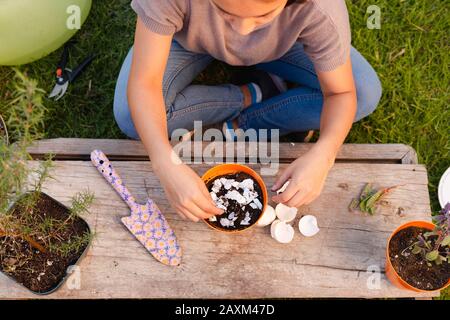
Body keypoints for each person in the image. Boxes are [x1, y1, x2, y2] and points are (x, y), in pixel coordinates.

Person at [114, 0, 382, 222]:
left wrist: (325, 154)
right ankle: (255, 94)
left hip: (286, 48)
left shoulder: (319, 7)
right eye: (224, 11)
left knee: (363, 93)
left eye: (263, 15)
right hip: (187, 41)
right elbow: (145, 83)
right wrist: (164, 162)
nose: (242, 32)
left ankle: (245, 122)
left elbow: (341, 93)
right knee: (131, 116)